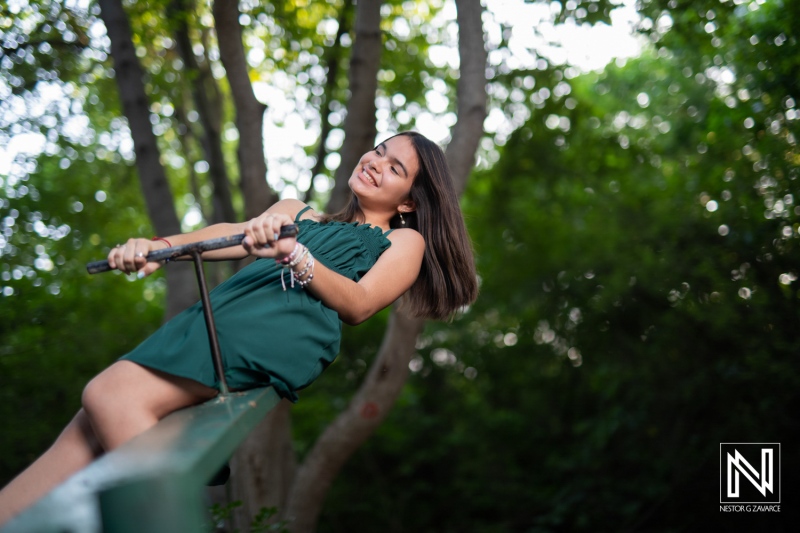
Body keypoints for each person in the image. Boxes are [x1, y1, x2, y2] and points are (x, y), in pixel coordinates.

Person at [0, 131, 478, 524]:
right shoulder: (296, 212)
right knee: (80, 438)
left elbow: (359, 304)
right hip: (215, 322)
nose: (376, 162)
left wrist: (295, 254)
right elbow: (224, 236)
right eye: (379, 150)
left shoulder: (402, 240)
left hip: (271, 333)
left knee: (110, 395)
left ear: (412, 201)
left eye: (395, 168)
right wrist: (156, 247)